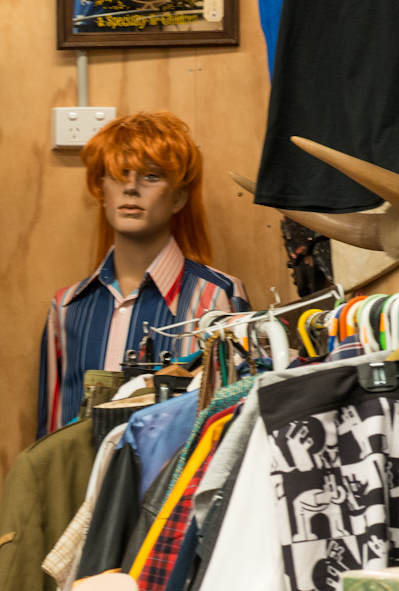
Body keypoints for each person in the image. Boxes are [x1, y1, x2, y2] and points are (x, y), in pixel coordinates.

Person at [38, 110, 245, 435]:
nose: (131, 188)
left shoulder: (218, 298)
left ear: (179, 196)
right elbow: (51, 441)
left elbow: (236, 428)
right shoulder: (66, 308)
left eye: (151, 176)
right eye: (119, 174)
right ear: (100, 187)